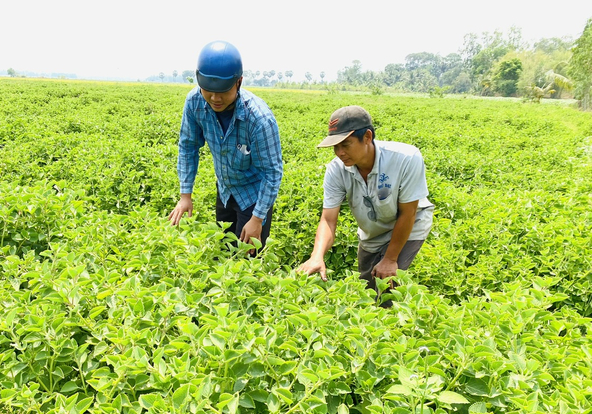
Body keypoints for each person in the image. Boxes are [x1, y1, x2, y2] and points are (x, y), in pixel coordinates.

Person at [297, 105, 434, 305]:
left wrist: (390, 258)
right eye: (336, 147)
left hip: (410, 224)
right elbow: (328, 219)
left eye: (346, 144)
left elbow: (408, 213)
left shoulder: (406, 158)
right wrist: (316, 256)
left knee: (388, 285)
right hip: (372, 231)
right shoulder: (337, 170)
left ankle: (393, 326)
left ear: (367, 137)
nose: (340, 153)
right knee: (367, 292)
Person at [168, 41, 283, 252]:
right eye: (208, 90)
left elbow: (272, 172)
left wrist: (258, 219)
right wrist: (185, 195)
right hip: (225, 190)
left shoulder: (259, 119)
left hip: (253, 196)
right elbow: (188, 146)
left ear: (239, 82)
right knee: (223, 253)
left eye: (222, 91)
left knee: (248, 260)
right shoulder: (195, 102)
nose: (215, 98)